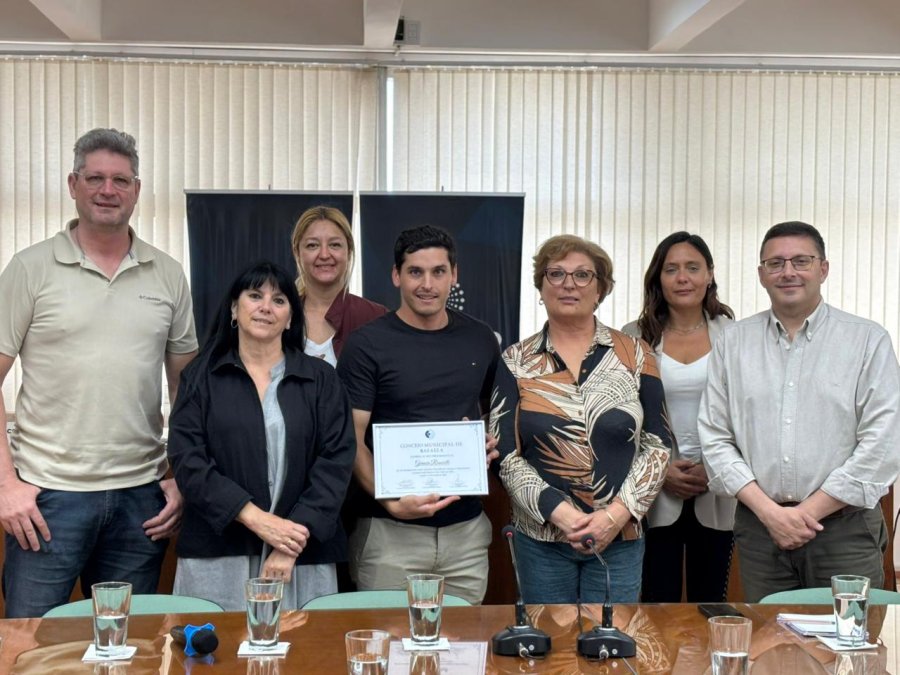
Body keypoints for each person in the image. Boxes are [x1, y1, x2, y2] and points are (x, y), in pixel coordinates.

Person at [0, 128, 198, 618]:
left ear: (136, 189)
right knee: (30, 646)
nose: (108, 190)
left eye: (120, 180)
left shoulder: (168, 274)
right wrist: (6, 485)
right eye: (95, 178)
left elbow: (187, 390)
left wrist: (180, 477)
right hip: (48, 498)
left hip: (141, 501)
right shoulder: (30, 269)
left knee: (127, 648)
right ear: (73, 184)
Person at [699, 221, 900, 602]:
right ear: (761, 274)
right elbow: (715, 437)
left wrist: (805, 513)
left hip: (845, 529)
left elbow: (882, 443)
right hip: (760, 530)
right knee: (769, 650)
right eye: (775, 263)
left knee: (848, 652)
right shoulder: (733, 343)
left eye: (801, 261)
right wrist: (772, 515)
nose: (788, 271)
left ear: (823, 269)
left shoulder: (867, 340)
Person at [490, 234, 671, 604]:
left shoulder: (636, 354)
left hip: (620, 537)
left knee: (611, 649)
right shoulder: (515, 360)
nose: (568, 284)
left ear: (601, 289)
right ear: (540, 287)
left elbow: (658, 445)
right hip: (541, 539)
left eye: (582, 275)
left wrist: (615, 516)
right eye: (555, 274)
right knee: (550, 652)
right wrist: (561, 515)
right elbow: (505, 456)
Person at [166, 261, 355, 610]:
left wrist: (287, 541)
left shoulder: (322, 379)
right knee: (215, 659)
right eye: (255, 296)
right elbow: (188, 461)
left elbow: (336, 462)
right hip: (219, 550)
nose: (266, 307)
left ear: (290, 318)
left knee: (307, 657)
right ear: (235, 309)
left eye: (279, 300)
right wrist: (257, 520)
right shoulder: (201, 377)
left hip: (301, 551)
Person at [336, 225, 500, 605]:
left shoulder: (480, 338)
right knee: (390, 652)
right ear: (396, 275)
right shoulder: (367, 344)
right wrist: (388, 498)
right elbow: (351, 437)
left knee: (461, 655)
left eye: (438, 271)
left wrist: (490, 440)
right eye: (415, 272)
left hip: (466, 534)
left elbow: (499, 416)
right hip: (390, 534)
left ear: (454, 275)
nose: (427, 284)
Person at [623, 232, 736, 603]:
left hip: (717, 488)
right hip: (655, 493)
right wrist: (660, 470)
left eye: (692, 267)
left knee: (712, 605)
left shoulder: (736, 337)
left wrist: (715, 468)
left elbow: (749, 416)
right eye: (671, 269)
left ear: (709, 275)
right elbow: (622, 415)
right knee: (658, 604)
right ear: (658, 278)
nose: (682, 277)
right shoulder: (633, 338)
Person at [290, 205, 386, 366]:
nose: (325, 255)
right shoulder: (279, 316)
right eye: (312, 245)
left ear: (349, 251)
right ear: (297, 253)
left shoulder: (376, 317)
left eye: (335, 245)